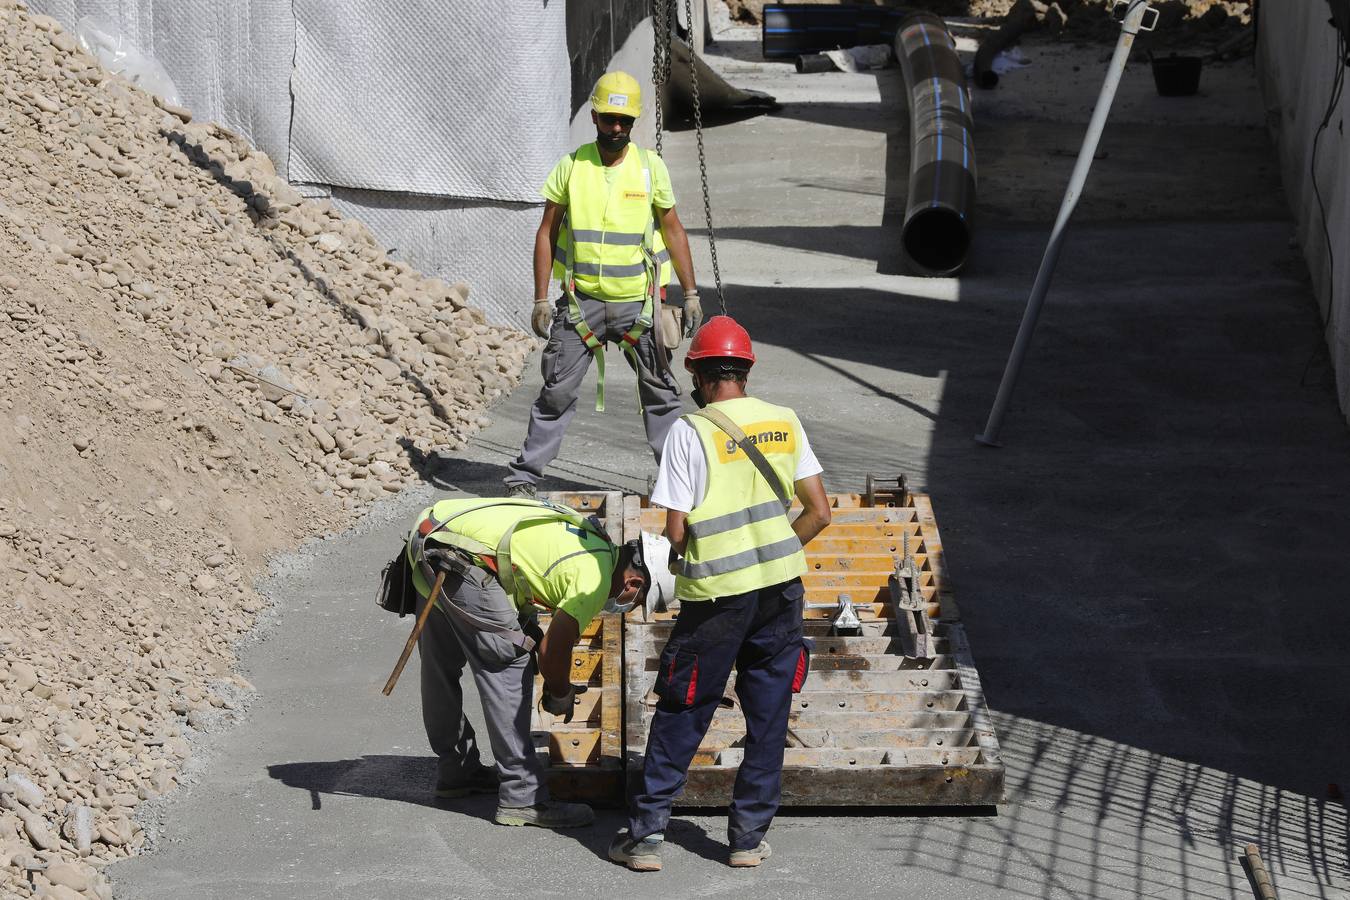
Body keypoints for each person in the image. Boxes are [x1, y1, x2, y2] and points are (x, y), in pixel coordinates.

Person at [608, 317, 833, 871]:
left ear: (700, 375)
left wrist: (682, 563)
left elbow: (678, 531)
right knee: (769, 715)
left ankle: (645, 839)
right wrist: (772, 549)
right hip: (781, 592)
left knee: (685, 707)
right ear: (745, 371)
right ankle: (747, 841)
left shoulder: (693, 430)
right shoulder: (785, 421)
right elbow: (820, 512)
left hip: (716, 602)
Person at [404, 496, 661, 828]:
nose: (632, 607)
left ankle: (456, 770)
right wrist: (560, 692)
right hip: (462, 559)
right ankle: (522, 796)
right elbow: (553, 652)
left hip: (431, 536)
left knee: (441, 666)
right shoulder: (594, 582)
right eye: (638, 602)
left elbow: (521, 578)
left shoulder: (595, 541)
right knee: (507, 662)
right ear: (634, 583)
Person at [504, 70, 702, 498]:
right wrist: (541, 298)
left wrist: (689, 293)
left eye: (625, 121)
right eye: (610, 119)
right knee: (556, 392)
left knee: (661, 395)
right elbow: (545, 232)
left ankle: (676, 490)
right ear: (594, 117)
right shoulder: (572, 167)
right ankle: (524, 478)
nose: (617, 129)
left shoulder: (650, 168)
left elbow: (673, 230)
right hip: (581, 305)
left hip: (640, 306)